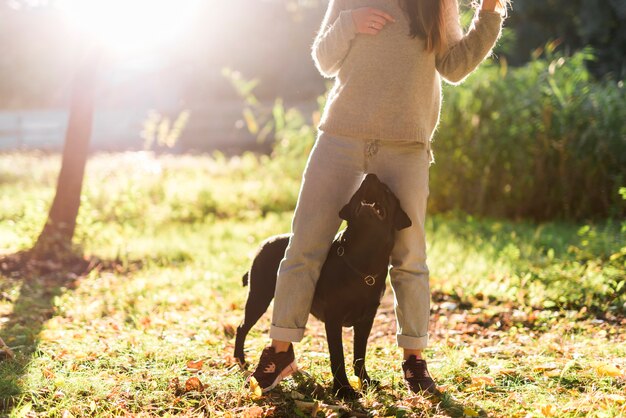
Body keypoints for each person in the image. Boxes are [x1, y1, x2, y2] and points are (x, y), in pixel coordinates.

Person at [250, 0, 507, 394]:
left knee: (410, 257)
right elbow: (324, 58)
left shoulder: (439, 4)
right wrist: (350, 22)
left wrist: (489, 11)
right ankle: (281, 349)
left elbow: (454, 66)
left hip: (406, 146)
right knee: (305, 245)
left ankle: (414, 359)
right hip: (341, 138)